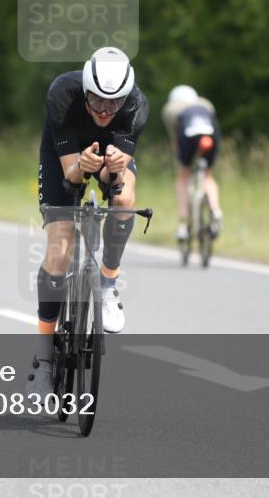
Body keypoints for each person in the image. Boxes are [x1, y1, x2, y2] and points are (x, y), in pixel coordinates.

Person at [26, 47, 149, 398]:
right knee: (60, 246)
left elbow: (116, 183)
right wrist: (82, 164)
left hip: (110, 154)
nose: (105, 111)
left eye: (114, 103)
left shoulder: (137, 107)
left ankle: (109, 284)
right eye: (97, 100)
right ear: (84, 89)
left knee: (124, 199)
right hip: (64, 154)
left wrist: (113, 169)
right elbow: (70, 177)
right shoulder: (62, 95)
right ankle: (44, 360)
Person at [161, 84, 222, 242]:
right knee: (208, 176)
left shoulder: (171, 109)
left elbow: (175, 139)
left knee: (183, 176)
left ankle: (183, 224)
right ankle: (215, 209)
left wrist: (180, 158)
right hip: (210, 136)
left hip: (187, 135)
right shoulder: (205, 104)